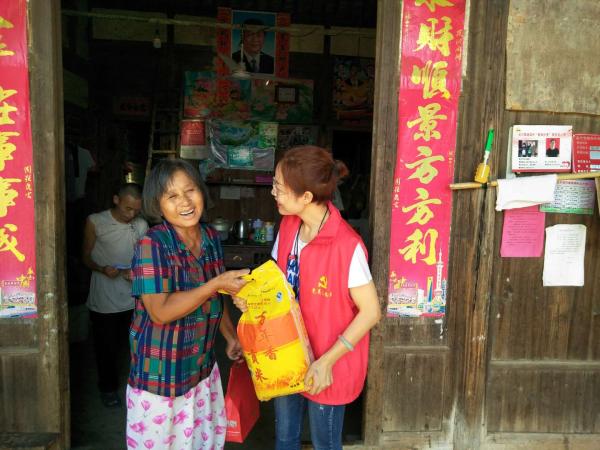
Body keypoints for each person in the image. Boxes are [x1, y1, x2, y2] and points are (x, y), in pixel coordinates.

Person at [233, 146, 381, 450]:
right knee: (285, 438)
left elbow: (370, 312)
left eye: (279, 187)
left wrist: (326, 362)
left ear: (306, 197)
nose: (273, 192)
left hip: (329, 362)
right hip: (287, 354)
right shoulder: (289, 225)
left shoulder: (346, 246)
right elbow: (276, 282)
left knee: (324, 443)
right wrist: (251, 297)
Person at [126, 159, 249, 450]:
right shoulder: (152, 245)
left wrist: (231, 336)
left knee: (200, 443)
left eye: (190, 190)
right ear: (158, 205)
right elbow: (160, 311)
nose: (185, 202)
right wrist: (214, 284)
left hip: (201, 369)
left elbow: (217, 297)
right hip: (162, 375)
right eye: (172, 196)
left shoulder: (210, 237)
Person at [82, 182, 148, 408]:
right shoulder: (96, 221)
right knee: (106, 348)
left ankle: (139, 388)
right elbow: (85, 257)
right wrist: (102, 268)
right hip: (105, 299)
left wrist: (137, 271)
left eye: (136, 210)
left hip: (133, 297)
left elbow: (145, 257)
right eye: (127, 208)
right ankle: (108, 389)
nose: (131, 215)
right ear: (116, 200)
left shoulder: (141, 225)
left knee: (136, 345)